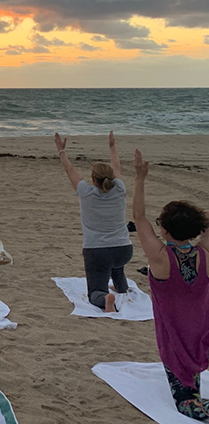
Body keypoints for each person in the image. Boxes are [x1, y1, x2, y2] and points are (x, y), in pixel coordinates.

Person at [133, 149, 209, 420]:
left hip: (174, 331)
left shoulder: (160, 257)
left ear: (164, 230)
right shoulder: (205, 253)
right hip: (200, 327)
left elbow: (139, 218)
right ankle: (195, 397)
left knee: (183, 386)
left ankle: (191, 401)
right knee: (194, 368)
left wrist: (140, 178)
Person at [54, 131, 132, 313]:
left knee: (95, 290)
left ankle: (105, 298)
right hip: (124, 250)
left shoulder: (85, 192)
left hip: (97, 252)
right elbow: (116, 166)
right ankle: (121, 287)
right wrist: (113, 147)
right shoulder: (120, 188)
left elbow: (70, 170)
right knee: (115, 263)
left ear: (93, 179)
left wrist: (61, 151)